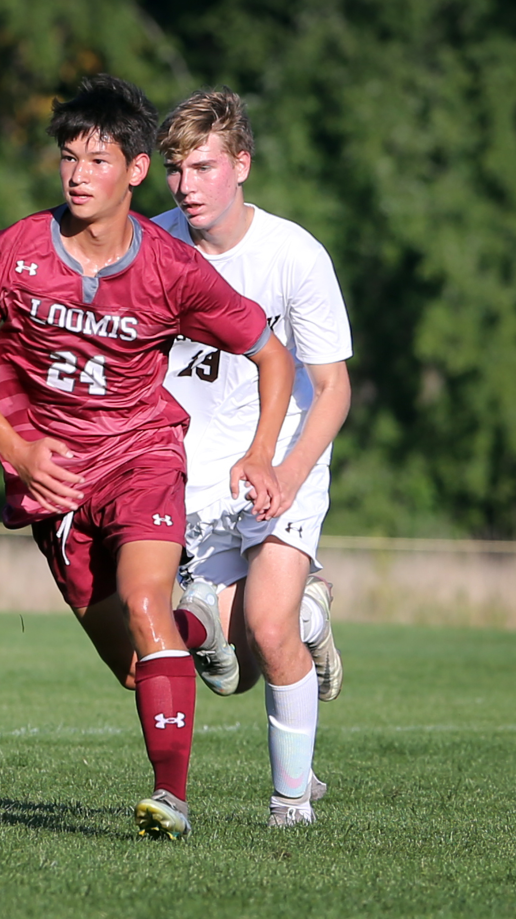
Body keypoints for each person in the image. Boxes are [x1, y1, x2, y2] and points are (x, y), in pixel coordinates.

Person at [0, 75, 295, 838]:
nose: (77, 175)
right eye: (69, 158)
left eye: (97, 160)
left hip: (143, 456)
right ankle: (202, 626)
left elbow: (273, 356)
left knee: (142, 604)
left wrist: (263, 453)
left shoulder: (171, 267)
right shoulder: (15, 252)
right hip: (55, 485)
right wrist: (16, 450)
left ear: (135, 170)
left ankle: (172, 800)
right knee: (137, 663)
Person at [152, 88, 353, 826]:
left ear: (241, 164)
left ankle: (290, 804)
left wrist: (287, 472)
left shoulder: (293, 254)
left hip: (283, 459)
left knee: (266, 627)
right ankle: (310, 618)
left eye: (203, 166)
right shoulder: (152, 244)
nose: (187, 185)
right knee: (229, 671)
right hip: (193, 478)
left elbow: (332, 388)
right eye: (176, 168)